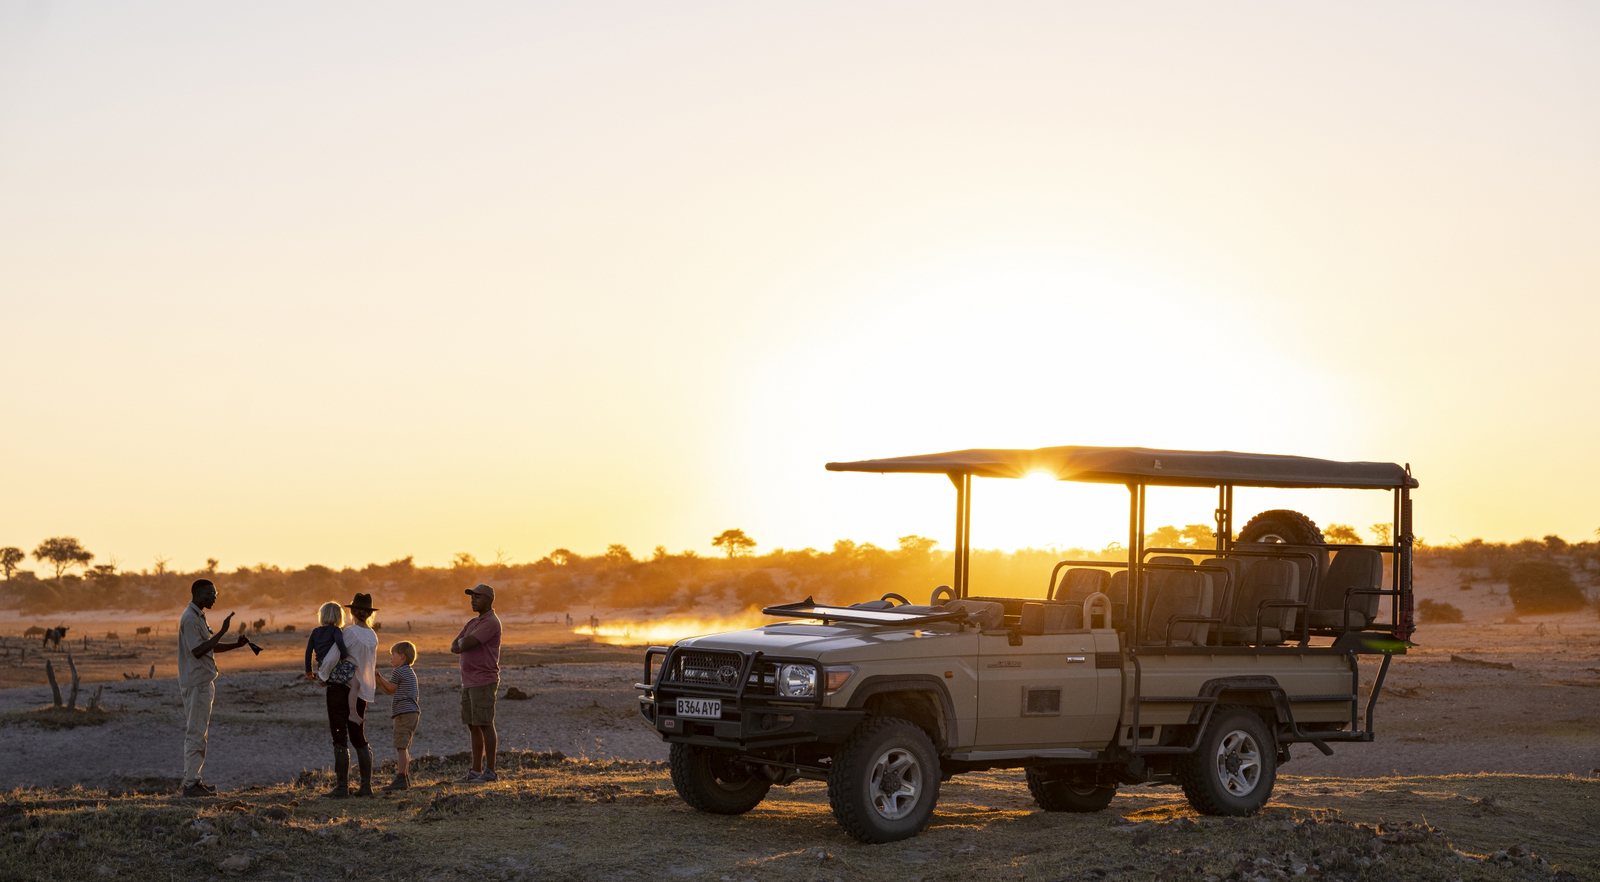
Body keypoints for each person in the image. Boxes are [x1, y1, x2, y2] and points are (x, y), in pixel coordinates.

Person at [177, 578, 251, 798]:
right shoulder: (190, 618)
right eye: (211, 593)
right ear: (198, 594)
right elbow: (198, 650)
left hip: (201, 682)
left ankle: (194, 780)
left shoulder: (197, 615)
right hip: (196, 683)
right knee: (196, 734)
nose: (214, 596)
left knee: (199, 733)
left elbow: (210, 647)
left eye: (215, 592)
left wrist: (235, 645)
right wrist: (222, 631)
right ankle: (190, 784)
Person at [318, 593, 380, 798]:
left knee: (339, 734)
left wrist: (322, 675)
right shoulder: (372, 635)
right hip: (361, 690)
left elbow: (333, 656)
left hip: (340, 687)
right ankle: (365, 785)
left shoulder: (349, 632)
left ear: (352, 612)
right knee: (358, 734)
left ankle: (342, 787)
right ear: (369, 613)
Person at [450, 584, 502, 784]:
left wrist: (463, 642)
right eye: (472, 597)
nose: (473, 600)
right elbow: (455, 645)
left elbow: (466, 643)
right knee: (473, 725)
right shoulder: (474, 622)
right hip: (469, 681)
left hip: (483, 680)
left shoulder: (490, 622)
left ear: (489, 599)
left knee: (485, 723)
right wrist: (462, 642)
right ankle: (475, 771)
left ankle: (490, 771)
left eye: (477, 597)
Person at [303, 601, 361, 724]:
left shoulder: (315, 632)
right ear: (339, 617)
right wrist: (344, 655)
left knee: (331, 684)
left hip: (322, 667)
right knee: (356, 684)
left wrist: (308, 670)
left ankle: (325, 680)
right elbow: (340, 642)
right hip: (335, 666)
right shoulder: (336, 630)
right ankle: (352, 713)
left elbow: (308, 652)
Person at [374, 640, 420, 791]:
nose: (390, 658)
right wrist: (379, 680)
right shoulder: (409, 671)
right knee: (404, 746)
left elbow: (391, 688)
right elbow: (389, 691)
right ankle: (404, 777)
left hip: (404, 713)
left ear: (401, 656)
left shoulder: (399, 671)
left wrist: (380, 680)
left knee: (400, 746)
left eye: (392, 655)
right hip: (412, 712)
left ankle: (401, 778)